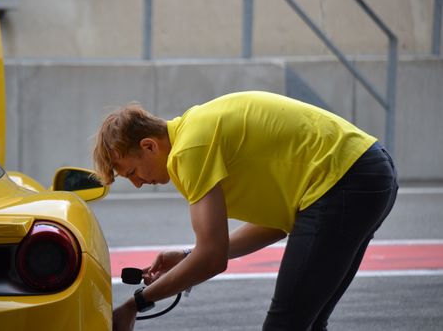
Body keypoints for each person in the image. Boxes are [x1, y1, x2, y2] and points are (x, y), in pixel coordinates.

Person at [93, 91, 398, 331]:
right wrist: (188, 256)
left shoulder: (188, 151)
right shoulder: (196, 130)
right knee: (306, 323)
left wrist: (136, 304)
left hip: (346, 180)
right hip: (367, 172)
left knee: (285, 325)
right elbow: (276, 224)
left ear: (149, 146)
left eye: (132, 172)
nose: (136, 183)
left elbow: (212, 258)